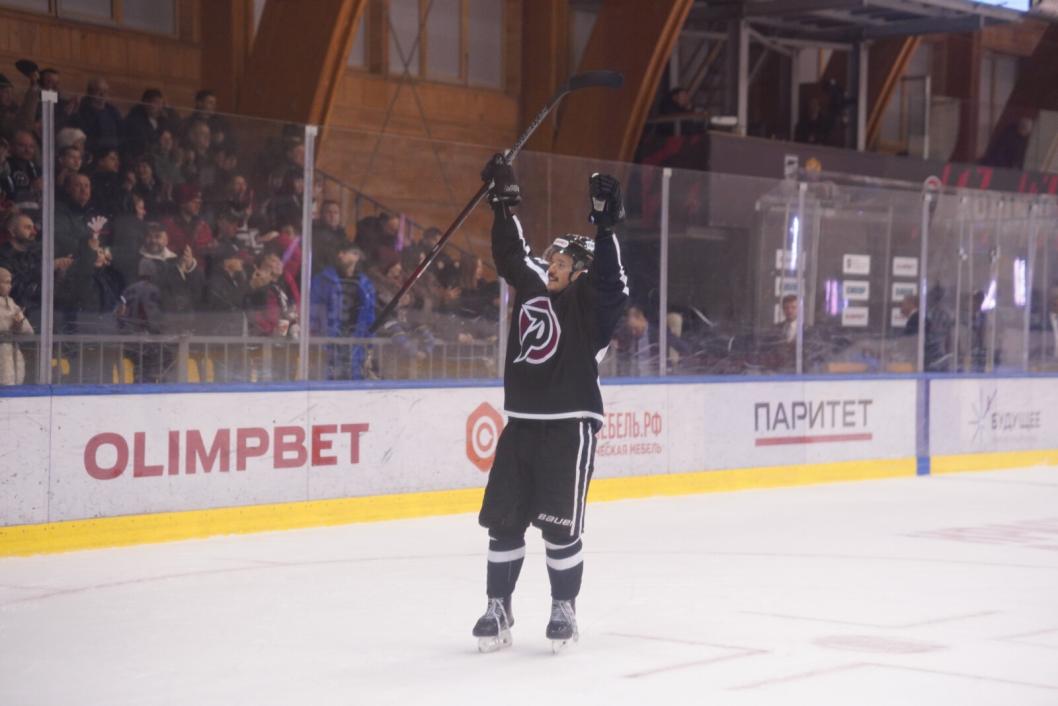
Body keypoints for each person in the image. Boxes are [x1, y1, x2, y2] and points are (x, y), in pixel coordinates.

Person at [471, 156, 629, 653]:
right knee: (504, 524)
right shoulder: (533, 287)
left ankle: (564, 608)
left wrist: (605, 229)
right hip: (520, 425)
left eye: (561, 263)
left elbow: (612, 283)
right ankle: (498, 606)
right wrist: (504, 203)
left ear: (580, 271)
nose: (552, 267)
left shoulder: (591, 306)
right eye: (551, 261)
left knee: (560, 529)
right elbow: (511, 254)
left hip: (569, 428)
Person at [0, 265, 33, 385]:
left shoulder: (12, 304)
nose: (9, 286)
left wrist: (18, 324)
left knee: (16, 383)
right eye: (6, 282)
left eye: (10, 282)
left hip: (12, 352)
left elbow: (28, 330)